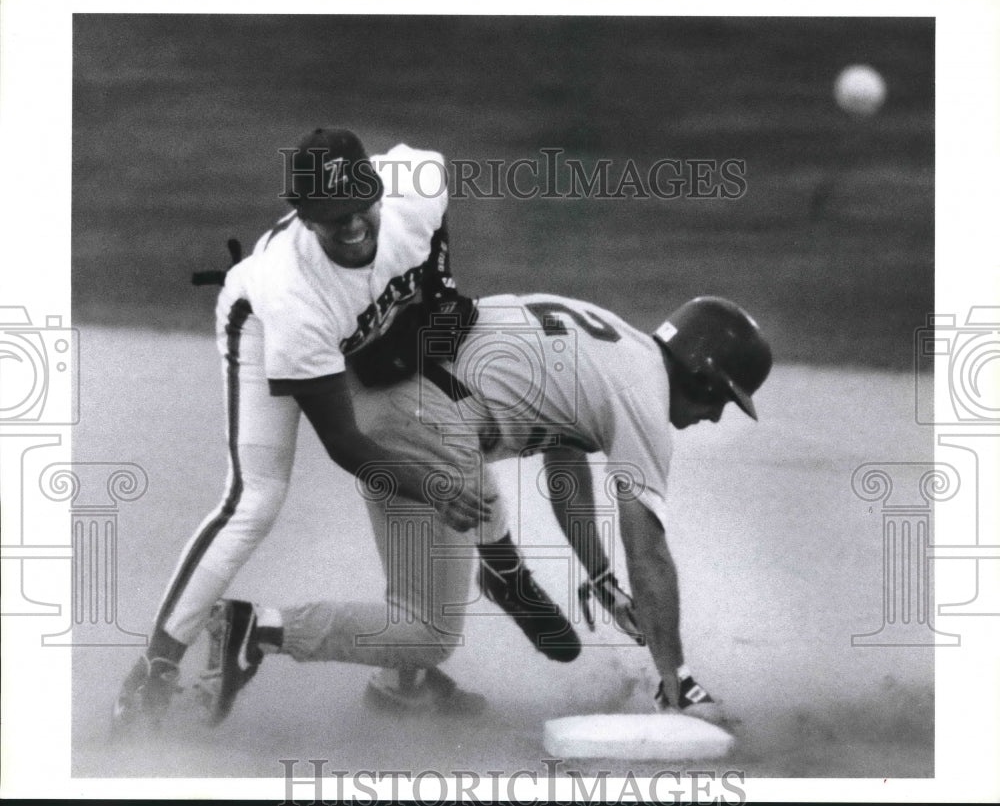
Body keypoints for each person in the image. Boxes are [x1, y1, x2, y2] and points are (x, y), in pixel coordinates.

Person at [112, 129, 579, 734]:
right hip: (262, 326)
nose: (353, 223)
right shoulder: (292, 297)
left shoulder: (418, 188)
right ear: (304, 217)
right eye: (333, 217)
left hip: (352, 320)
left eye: (360, 203)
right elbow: (346, 445)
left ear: (378, 187)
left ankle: (413, 660)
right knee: (255, 498)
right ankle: (155, 665)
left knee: (430, 417)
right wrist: (433, 489)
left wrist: (433, 286)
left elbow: (431, 200)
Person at [198, 293, 772, 722]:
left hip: (400, 392)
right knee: (428, 627)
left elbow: (564, 459)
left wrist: (597, 575)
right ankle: (256, 628)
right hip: (421, 422)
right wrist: (679, 679)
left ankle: (404, 680)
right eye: (723, 398)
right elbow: (647, 548)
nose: (718, 415)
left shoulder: (622, 348)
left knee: (450, 548)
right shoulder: (643, 399)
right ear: (700, 373)